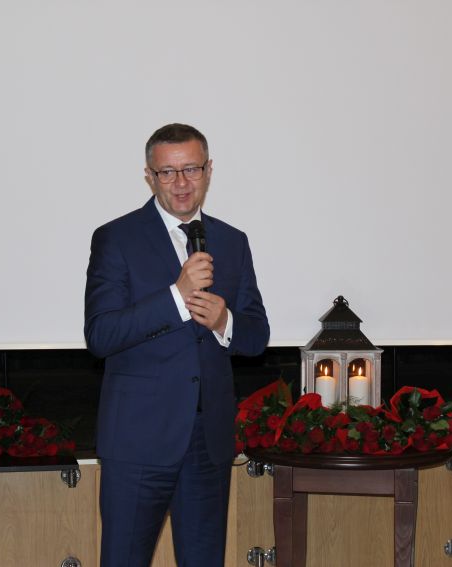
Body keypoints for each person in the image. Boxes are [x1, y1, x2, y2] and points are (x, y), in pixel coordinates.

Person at [84, 123, 270, 566]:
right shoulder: (116, 238)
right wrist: (175, 297)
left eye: (191, 169)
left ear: (208, 170)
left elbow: (256, 335)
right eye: (167, 173)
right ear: (149, 177)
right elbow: (101, 335)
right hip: (137, 442)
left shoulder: (232, 241)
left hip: (208, 444)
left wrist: (224, 321)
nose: (181, 183)